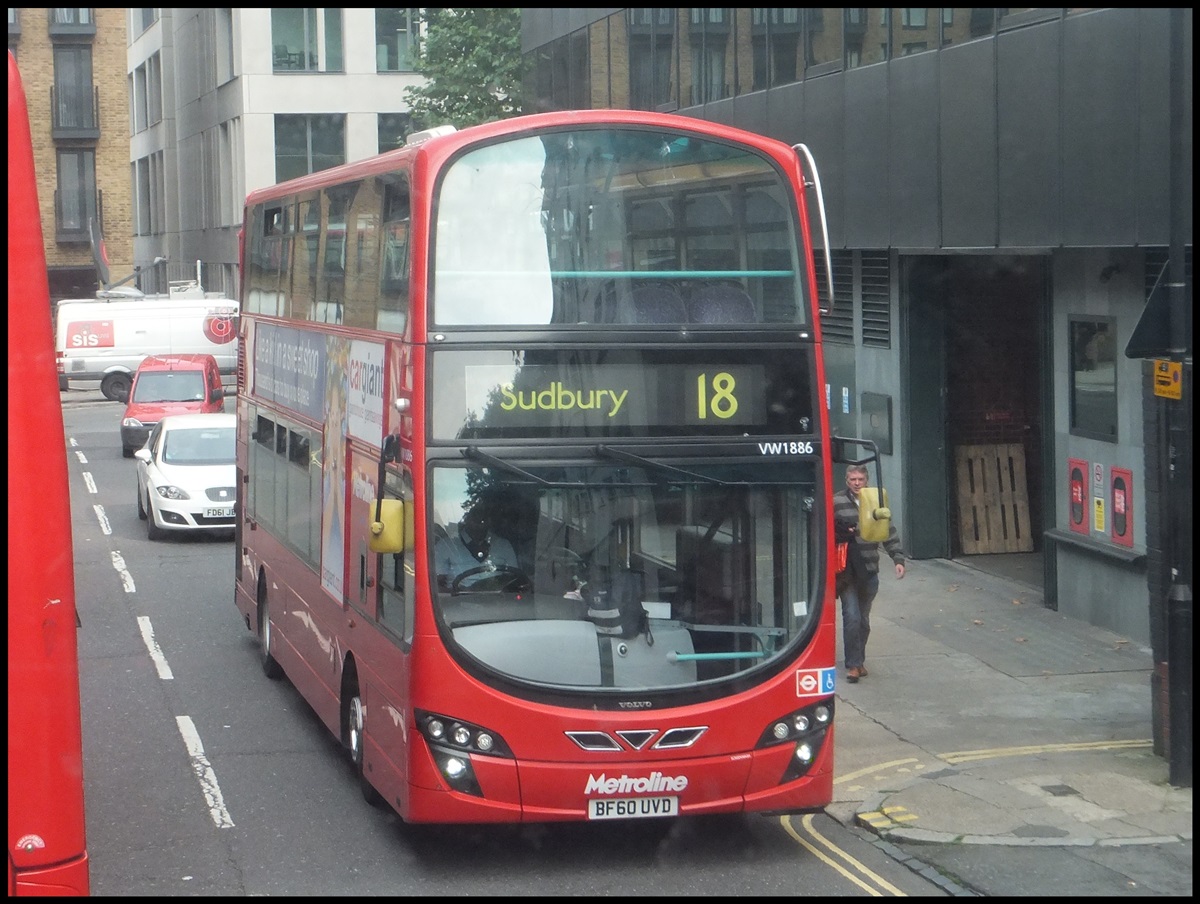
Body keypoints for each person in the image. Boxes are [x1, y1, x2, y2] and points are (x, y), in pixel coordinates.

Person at [833, 464, 905, 683]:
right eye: (852, 479)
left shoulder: (876, 501)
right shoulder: (836, 502)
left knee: (863, 620)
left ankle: (859, 661)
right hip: (846, 570)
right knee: (852, 617)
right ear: (846, 480)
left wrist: (897, 558)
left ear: (866, 480)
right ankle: (853, 665)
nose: (856, 483)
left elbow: (888, 531)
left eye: (860, 479)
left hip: (869, 568)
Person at [434, 501, 520, 591]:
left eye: (483, 520)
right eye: (475, 519)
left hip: (499, 601)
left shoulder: (504, 545)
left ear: (489, 522)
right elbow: (437, 585)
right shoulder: (446, 545)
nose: (479, 524)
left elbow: (513, 578)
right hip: (458, 600)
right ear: (466, 520)